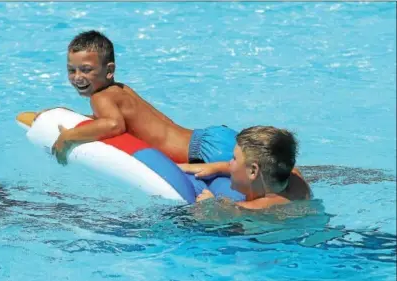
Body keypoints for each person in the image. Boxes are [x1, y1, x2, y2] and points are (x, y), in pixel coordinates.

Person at [35, 30, 238, 165]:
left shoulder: (100, 98)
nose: (78, 77)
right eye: (71, 70)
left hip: (200, 156)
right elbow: (110, 120)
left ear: (109, 70)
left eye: (86, 70)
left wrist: (67, 137)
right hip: (210, 138)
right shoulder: (120, 89)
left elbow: (114, 125)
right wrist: (67, 114)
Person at [179, 126, 312, 209]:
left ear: (253, 171)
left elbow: (217, 214)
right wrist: (217, 167)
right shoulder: (296, 181)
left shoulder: (254, 210)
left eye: (234, 159)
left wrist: (209, 205)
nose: (229, 163)